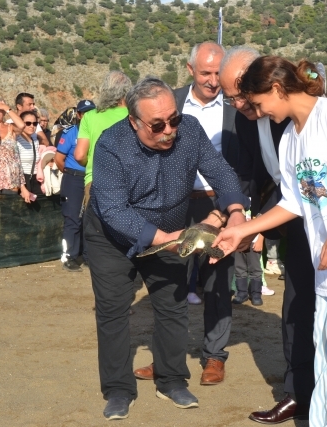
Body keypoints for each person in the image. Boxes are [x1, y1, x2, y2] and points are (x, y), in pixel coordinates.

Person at [213, 55, 327, 427]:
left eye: (258, 103)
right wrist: (244, 230)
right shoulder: (291, 138)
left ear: (277, 88)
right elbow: (294, 202)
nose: (257, 111)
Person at [84, 77, 248, 419]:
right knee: (113, 312)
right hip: (111, 237)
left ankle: (172, 380)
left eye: (173, 119)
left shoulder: (190, 130)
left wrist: (235, 211)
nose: (169, 131)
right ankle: (118, 389)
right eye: (157, 125)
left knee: (173, 307)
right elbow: (114, 210)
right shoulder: (111, 145)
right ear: (134, 121)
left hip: (171, 232)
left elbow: (220, 171)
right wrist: (166, 240)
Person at [134, 42, 247, 387]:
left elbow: (246, 165)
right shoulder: (171, 101)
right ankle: (167, 357)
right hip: (175, 206)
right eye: (205, 73)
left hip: (219, 206)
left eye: (218, 73)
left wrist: (231, 211)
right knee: (171, 282)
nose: (213, 81)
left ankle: (214, 356)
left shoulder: (238, 107)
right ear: (189, 69)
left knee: (217, 282)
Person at [219, 46, 315, 424]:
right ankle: (297, 393)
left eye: (241, 94)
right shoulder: (246, 119)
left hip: (321, 220)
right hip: (289, 218)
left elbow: (306, 187)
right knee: (295, 307)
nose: (238, 103)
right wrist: (237, 213)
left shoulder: (297, 116)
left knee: (322, 311)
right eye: (230, 97)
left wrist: (255, 225)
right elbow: (250, 173)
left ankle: (326, 393)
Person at [74, 71, 132, 206]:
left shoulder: (90, 116)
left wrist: (92, 163)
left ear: (104, 90)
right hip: (130, 182)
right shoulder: (134, 115)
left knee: (94, 219)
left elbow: (79, 155)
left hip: (95, 181)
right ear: (127, 92)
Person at [54, 100, 96, 272]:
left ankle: (87, 256)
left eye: (91, 112)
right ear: (78, 115)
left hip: (90, 179)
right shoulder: (71, 133)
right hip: (73, 178)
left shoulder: (95, 131)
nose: (87, 116)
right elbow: (59, 159)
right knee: (72, 219)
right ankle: (69, 256)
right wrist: (72, 173)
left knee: (89, 219)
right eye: (84, 113)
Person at [232, 206, 264, 305]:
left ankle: (256, 294)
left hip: (254, 241)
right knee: (239, 267)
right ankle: (242, 293)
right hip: (238, 241)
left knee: (255, 268)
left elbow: (264, 223)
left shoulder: (257, 204)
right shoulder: (236, 204)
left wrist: (260, 240)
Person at [16, 111, 43, 195]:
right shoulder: (16, 140)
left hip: (36, 179)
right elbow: (15, 165)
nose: (32, 126)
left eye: (35, 123)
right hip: (22, 180)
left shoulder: (35, 139)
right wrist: (22, 187)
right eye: (28, 123)